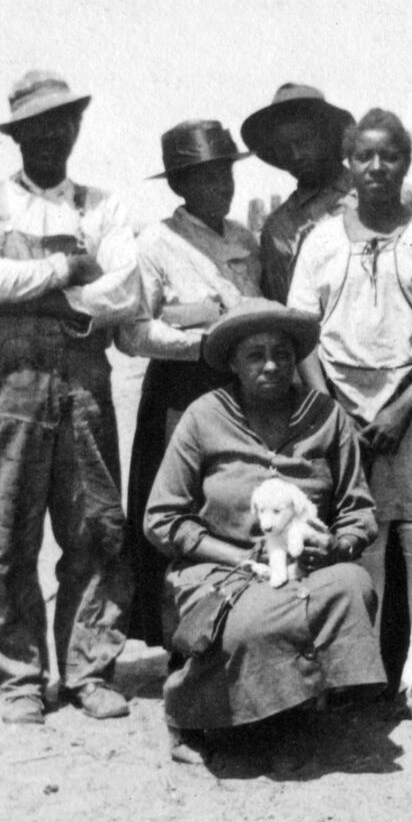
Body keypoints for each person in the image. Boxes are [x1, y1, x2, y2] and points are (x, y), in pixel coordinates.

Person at [0, 70, 140, 725]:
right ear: (18, 135)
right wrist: (62, 274)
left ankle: (88, 670)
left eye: (62, 123)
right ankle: (20, 678)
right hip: (9, 388)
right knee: (6, 538)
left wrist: (43, 294)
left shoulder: (102, 206)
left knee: (95, 530)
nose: (50, 136)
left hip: (83, 386)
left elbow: (128, 291)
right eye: (36, 127)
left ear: (76, 128)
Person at [287, 109, 412, 719]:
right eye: (365, 156)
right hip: (343, 412)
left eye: (390, 156)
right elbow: (302, 332)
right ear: (348, 161)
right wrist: (330, 410)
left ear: (406, 161)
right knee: (359, 537)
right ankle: (362, 669)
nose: (377, 167)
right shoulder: (319, 238)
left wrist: (402, 407)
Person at [144, 297, 385, 766]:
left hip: (302, 568)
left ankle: (290, 713)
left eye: (282, 353)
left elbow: (360, 511)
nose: (271, 365)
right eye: (256, 355)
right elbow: (162, 518)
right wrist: (240, 559)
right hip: (220, 569)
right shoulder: (203, 417)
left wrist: (338, 545)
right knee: (252, 621)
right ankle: (196, 710)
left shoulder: (325, 416)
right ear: (233, 362)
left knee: (352, 587)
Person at [118, 120, 263, 650]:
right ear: (179, 186)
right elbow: (132, 331)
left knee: (238, 506)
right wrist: (199, 342)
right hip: (182, 390)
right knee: (180, 509)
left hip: (242, 390)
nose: (220, 186)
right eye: (204, 177)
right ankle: (179, 641)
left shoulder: (246, 239)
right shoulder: (156, 242)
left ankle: (238, 632)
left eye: (225, 173)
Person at [240, 83, 412, 303]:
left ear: (329, 137)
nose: (296, 154)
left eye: (303, 141)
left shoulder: (389, 189)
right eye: (285, 147)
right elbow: (286, 308)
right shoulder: (280, 230)